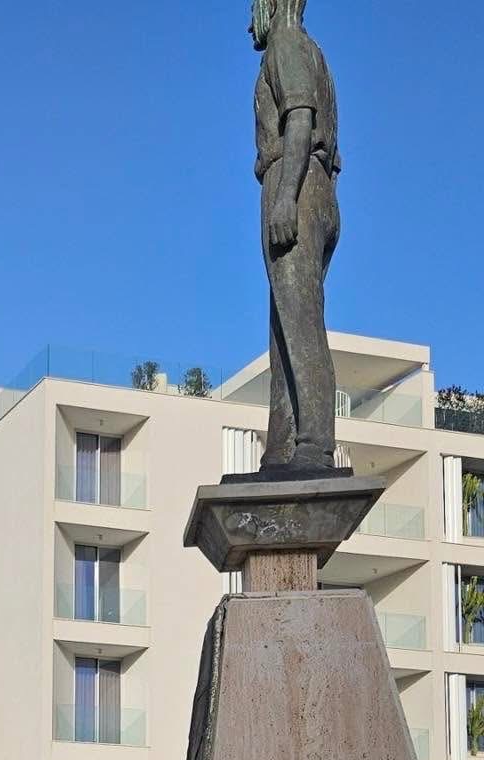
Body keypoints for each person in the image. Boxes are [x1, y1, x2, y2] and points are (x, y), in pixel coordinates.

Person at [250, 0, 341, 473]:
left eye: (252, 7)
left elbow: (300, 118)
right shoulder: (314, 51)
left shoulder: (285, 44)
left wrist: (286, 197)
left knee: (299, 324)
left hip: (295, 179)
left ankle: (313, 445)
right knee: (286, 325)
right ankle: (282, 445)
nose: (249, 23)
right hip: (315, 186)